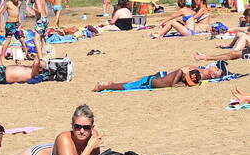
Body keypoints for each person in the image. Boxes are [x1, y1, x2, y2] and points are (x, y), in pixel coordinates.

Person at [0, 104, 103, 155]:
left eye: (86, 127)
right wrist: (89, 146)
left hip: (53, 150)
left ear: (92, 127)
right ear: (72, 125)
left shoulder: (94, 135)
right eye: (77, 126)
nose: (81, 131)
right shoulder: (64, 138)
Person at [92, 62, 224, 92]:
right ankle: (104, 86)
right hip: (153, 81)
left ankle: (109, 84)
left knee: (131, 84)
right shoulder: (183, 75)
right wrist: (175, 84)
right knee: (127, 86)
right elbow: (178, 71)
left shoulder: (199, 74)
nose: (215, 67)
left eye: (216, 69)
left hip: (153, 81)